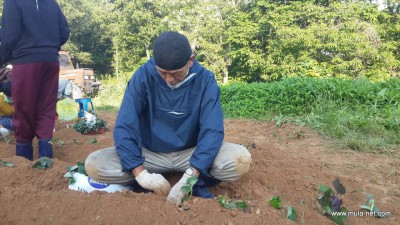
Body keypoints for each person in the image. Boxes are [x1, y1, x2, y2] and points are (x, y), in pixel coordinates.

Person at [85, 31, 252, 206]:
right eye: (163, 73)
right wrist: (141, 174)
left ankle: (195, 182)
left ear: (191, 60)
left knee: (239, 160)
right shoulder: (143, 76)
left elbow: (212, 130)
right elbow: (125, 126)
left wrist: (191, 176)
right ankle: (143, 182)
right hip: (149, 154)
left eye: (176, 73)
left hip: (190, 152)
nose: (169, 79)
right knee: (95, 165)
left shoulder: (205, 80)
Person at [1, 0, 70, 160]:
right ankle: (46, 159)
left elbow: (9, 36)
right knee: (46, 108)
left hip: (26, 61)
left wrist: (3, 58)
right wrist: (48, 47)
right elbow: (64, 31)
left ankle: (23, 161)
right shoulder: (51, 3)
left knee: (24, 109)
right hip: (50, 61)